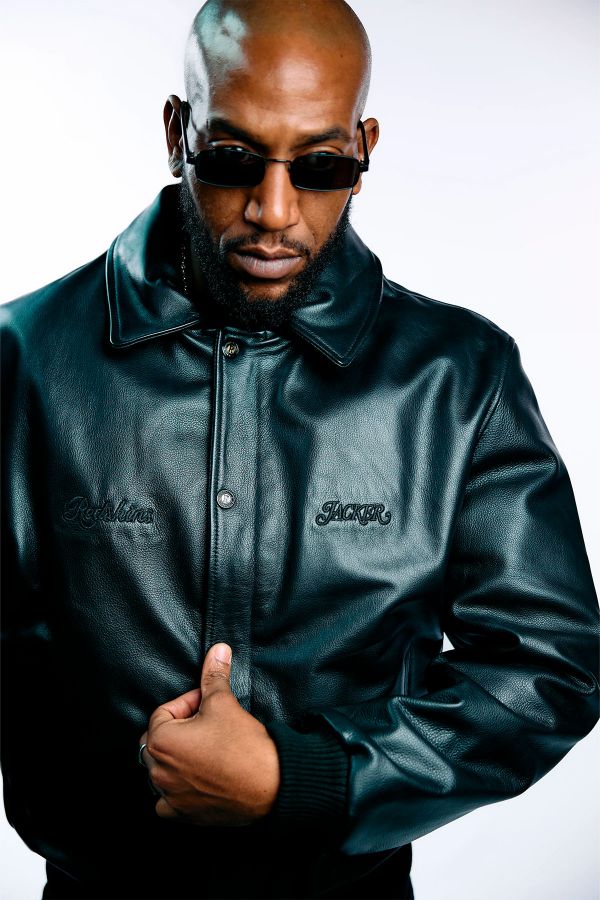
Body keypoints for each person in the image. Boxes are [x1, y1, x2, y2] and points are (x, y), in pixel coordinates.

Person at [1, 0, 598, 898]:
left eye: (320, 167)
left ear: (364, 150)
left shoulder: (460, 379)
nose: (273, 211)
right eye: (233, 158)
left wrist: (309, 779)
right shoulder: (27, 358)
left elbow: (547, 667)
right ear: (177, 133)